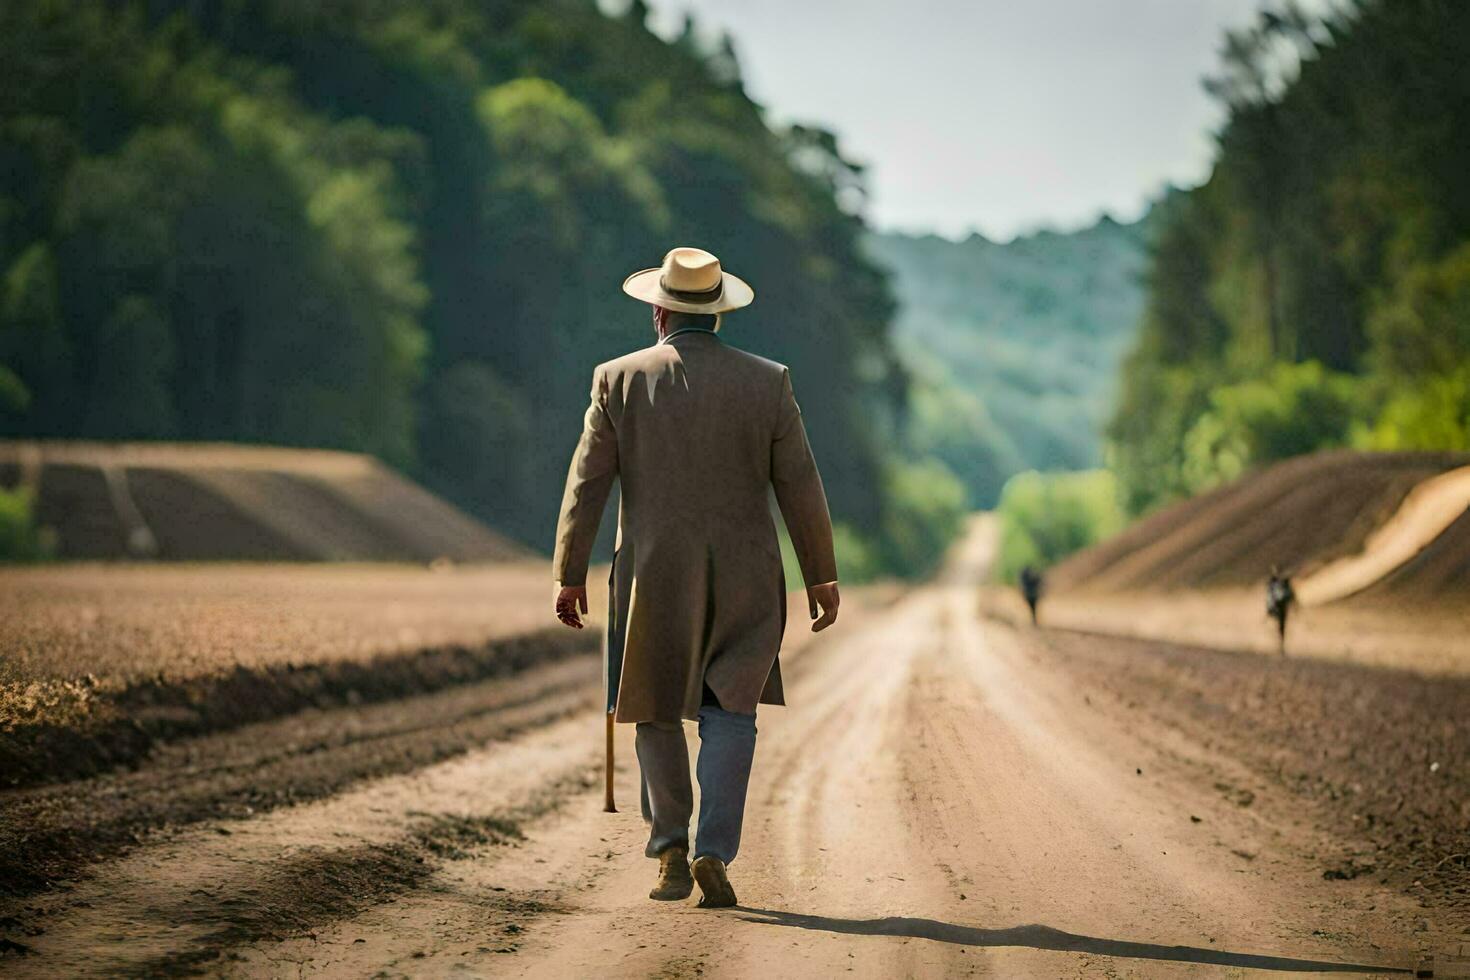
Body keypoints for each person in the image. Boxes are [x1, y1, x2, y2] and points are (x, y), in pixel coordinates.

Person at [551, 246, 840, 909]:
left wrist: (570, 573)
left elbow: (586, 485)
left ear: (658, 310)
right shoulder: (769, 382)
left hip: (653, 575)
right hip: (748, 575)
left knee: (653, 707)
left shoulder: (617, 380)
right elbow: (800, 484)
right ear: (718, 314)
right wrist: (820, 575)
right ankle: (714, 848)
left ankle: (672, 847)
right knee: (731, 710)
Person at [1266, 564, 1294, 655]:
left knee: (1281, 625)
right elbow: (1270, 596)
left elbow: (1291, 595)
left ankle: (1280, 644)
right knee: (1280, 625)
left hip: (1281, 606)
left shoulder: (1284, 583)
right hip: (1277, 605)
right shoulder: (1274, 583)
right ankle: (1279, 644)